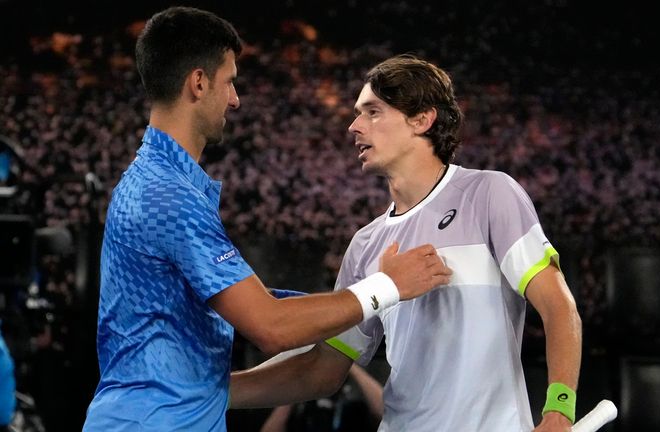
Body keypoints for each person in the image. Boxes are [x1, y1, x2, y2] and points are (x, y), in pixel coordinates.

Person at [82, 9, 451, 431]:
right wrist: (386, 286)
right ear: (198, 83)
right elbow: (270, 326)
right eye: (230, 81)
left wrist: (351, 307)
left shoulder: (158, 182)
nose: (235, 98)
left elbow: (255, 307)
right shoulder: (167, 196)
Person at [229, 55, 582, 432]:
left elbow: (559, 308)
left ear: (421, 119)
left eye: (372, 112)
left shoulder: (489, 194)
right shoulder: (365, 244)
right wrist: (216, 392)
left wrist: (559, 410)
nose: (354, 126)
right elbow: (322, 370)